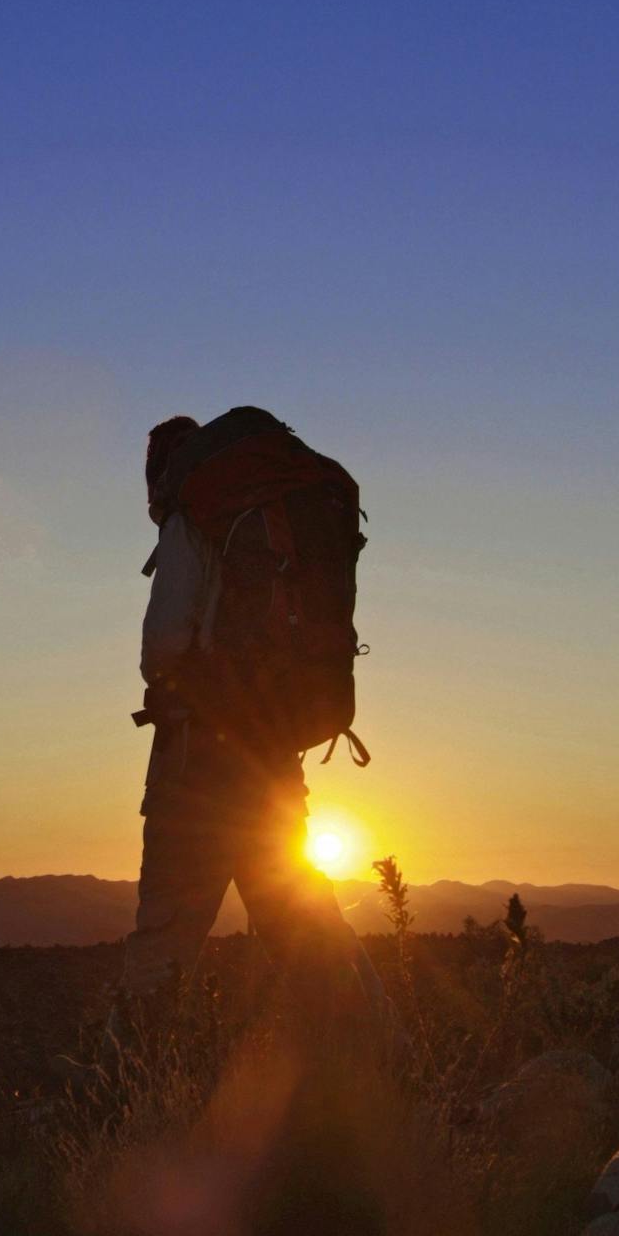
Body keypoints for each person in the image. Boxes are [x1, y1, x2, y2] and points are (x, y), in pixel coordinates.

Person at [120, 411, 382, 1022]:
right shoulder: (266, 509)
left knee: (166, 933)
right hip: (271, 754)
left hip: (196, 763)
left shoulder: (192, 520)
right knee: (307, 919)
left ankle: (121, 1090)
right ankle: (376, 1058)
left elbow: (162, 647)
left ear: (164, 478)